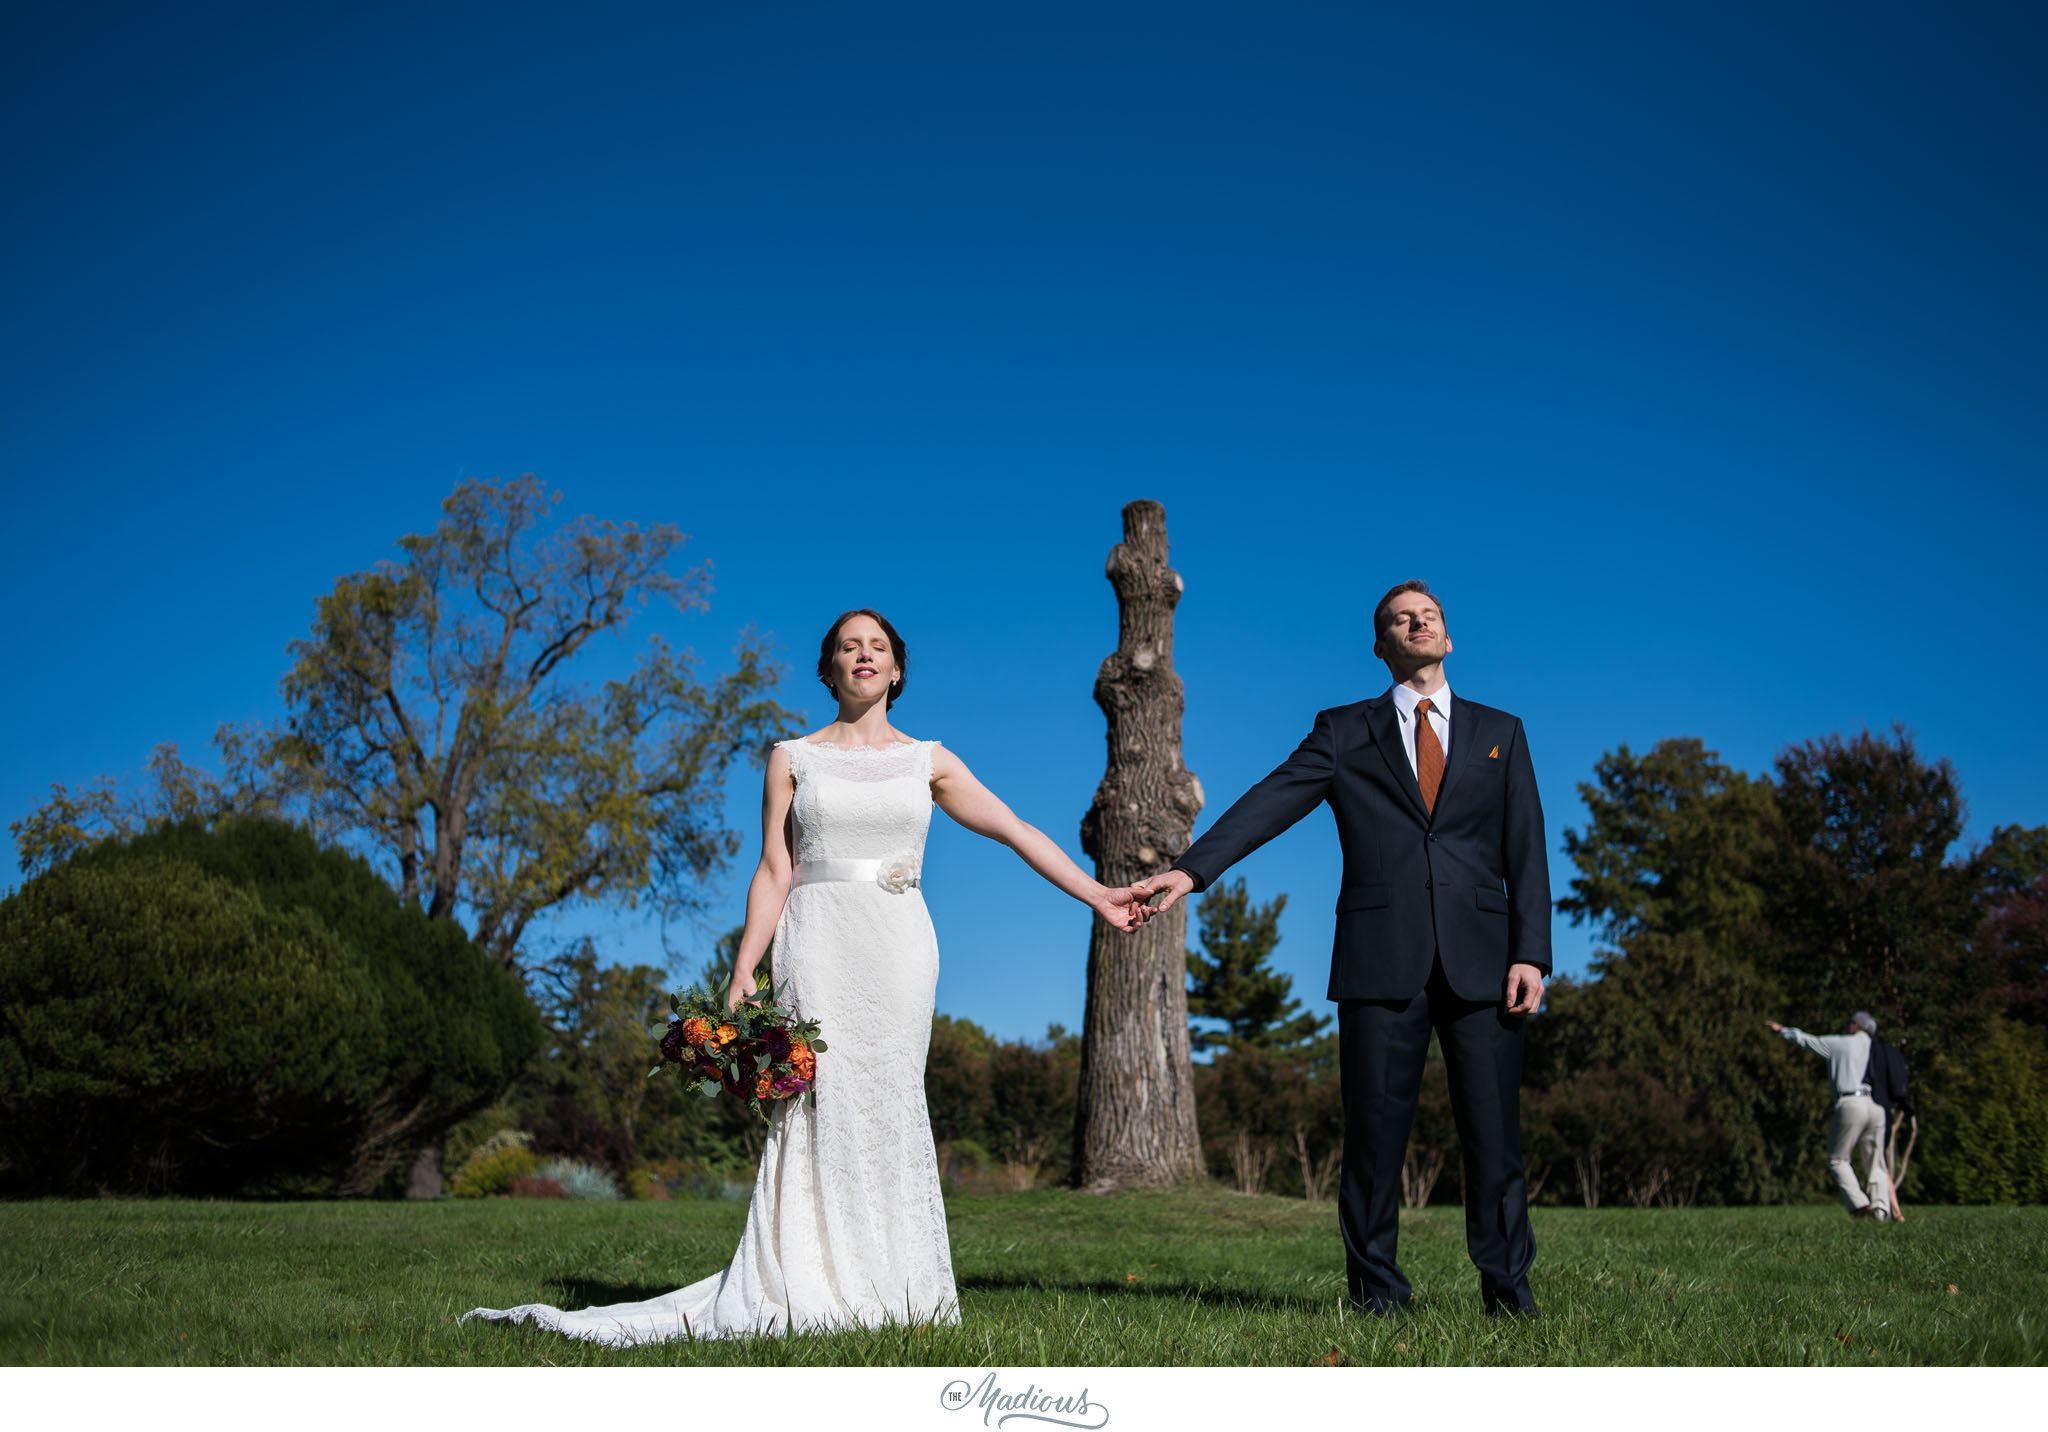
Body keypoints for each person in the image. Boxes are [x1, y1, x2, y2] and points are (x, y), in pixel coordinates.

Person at [467, 608, 1146, 1343]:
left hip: (899, 945)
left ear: (896, 670)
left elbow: (1015, 829)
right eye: (848, 646)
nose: (863, 655)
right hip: (816, 939)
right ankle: (804, 1276)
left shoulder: (930, 761)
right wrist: (743, 969)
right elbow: (774, 868)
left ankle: (895, 1280)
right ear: (828, 668)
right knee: (819, 1100)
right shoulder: (792, 756)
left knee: (887, 1100)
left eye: (877, 647)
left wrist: (1098, 894)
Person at [1131, 580, 1550, 1316]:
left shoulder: (1501, 732)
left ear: (1447, 638)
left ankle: (1508, 1292)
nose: (1415, 624)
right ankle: (1377, 1295)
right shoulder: (1344, 730)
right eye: (1397, 620)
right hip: (1377, 960)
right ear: (1380, 646)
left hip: (1486, 963)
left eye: (1427, 617)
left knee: (1495, 1141)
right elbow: (1272, 798)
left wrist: (1531, 954)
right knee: (1372, 1142)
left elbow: (1527, 850)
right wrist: (1192, 868)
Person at [1766, 1010, 1891, 1220]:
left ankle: (1860, 1205)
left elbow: (1808, 1041)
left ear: (1855, 1025)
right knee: (1875, 1162)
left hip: (1851, 1102)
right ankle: (1881, 1211)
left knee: (1838, 1159)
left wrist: (1782, 1031)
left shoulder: (1842, 1044)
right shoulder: (1877, 1049)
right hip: (1876, 1105)